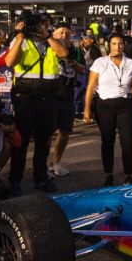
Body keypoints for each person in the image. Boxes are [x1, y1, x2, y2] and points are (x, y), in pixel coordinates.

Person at [3, 11, 68, 196]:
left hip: (48, 98)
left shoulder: (52, 42)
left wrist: (48, 36)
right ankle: (15, 180)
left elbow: (63, 53)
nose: (42, 27)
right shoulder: (22, 41)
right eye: (39, 24)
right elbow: (9, 62)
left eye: (45, 24)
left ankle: (41, 177)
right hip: (26, 98)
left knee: (43, 141)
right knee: (21, 142)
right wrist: (19, 36)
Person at [84, 34, 132, 186]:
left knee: (127, 141)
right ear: (109, 45)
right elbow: (91, 87)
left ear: (124, 45)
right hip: (104, 105)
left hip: (125, 105)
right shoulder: (100, 62)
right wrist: (86, 109)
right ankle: (108, 174)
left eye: (120, 44)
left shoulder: (130, 63)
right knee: (107, 141)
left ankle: (128, 174)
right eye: (114, 43)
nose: (117, 47)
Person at [49, 22, 85, 178]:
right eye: (61, 33)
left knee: (65, 131)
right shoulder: (49, 48)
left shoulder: (76, 51)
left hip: (68, 94)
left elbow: (83, 70)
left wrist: (73, 63)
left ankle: (55, 163)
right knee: (47, 131)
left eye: (67, 33)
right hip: (51, 94)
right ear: (54, 34)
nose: (64, 36)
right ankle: (40, 166)